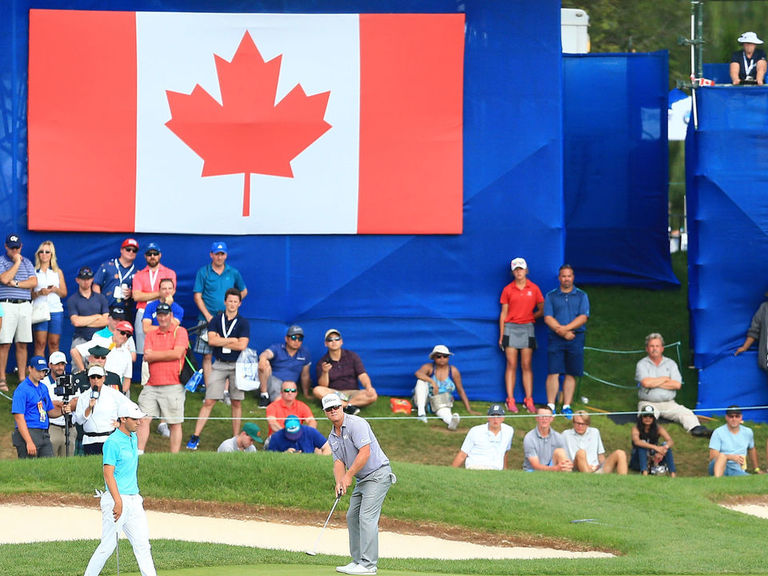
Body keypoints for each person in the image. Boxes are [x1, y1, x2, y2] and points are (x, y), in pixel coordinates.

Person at [324, 393, 395, 576]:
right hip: (363, 479)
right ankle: (357, 561)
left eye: (336, 407)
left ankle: (369, 565)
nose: (333, 411)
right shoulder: (332, 436)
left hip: (378, 474)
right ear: (325, 412)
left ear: (342, 407)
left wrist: (348, 476)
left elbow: (365, 453)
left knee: (366, 517)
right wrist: (340, 482)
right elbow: (338, 462)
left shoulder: (357, 424)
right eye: (329, 409)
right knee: (352, 516)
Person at [83, 402, 157, 576]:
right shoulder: (112, 442)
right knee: (107, 546)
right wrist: (118, 501)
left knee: (143, 545)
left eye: (139, 419)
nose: (139, 422)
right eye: (135, 419)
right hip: (116, 499)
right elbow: (108, 474)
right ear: (123, 419)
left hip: (134, 499)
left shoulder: (133, 438)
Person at [187, 288, 249, 450]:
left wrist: (223, 340)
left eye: (236, 301)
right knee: (209, 400)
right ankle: (195, 436)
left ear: (240, 304)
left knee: (236, 401)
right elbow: (212, 341)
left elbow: (242, 345)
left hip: (237, 365)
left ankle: (235, 439)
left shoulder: (243, 322)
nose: (232, 304)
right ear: (225, 302)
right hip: (220, 363)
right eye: (230, 301)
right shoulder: (216, 319)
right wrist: (232, 340)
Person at [192, 241, 248, 397]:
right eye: (217, 253)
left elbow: (243, 291)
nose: (219, 256)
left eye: (222, 254)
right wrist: (209, 316)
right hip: (207, 318)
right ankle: (211, 390)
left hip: (227, 321)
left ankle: (224, 391)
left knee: (226, 355)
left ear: (226, 255)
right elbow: (197, 296)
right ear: (211, 255)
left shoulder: (233, 272)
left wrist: (232, 306)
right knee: (207, 355)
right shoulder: (203, 272)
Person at [636, 333, 711, 437]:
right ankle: (650, 436)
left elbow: (677, 385)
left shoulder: (670, 364)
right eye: (651, 346)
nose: (654, 349)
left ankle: (697, 430)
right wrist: (665, 379)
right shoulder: (642, 364)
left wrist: (654, 383)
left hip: (669, 403)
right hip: (648, 402)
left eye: (657, 346)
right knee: (647, 418)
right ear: (647, 349)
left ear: (662, 348)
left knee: (686, 413)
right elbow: (645, 383)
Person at [137, 302, 188, 453]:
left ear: (171, 316)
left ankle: (174, 457)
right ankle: (139, 453)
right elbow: (147, 356)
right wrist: (167, 353)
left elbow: (177, 354)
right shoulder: (151, 334)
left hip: (173, 384)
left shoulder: (180, 331)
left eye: (165, 314)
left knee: (175, 423)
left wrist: (155, 355)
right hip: (152, 384)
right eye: (160, 315)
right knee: (143, 418)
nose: (163, 317)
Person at [498, 257, 544, 414]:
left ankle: (528, 399)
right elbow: (503, 314)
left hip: (528, 328)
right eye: (516, 269)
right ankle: (510, 400)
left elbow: (542, 309)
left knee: (526, 365)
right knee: (511, 364)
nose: (519, 271)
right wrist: (501, 335)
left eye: (521, 269)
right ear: (513, 272)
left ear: (526, 270)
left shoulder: (534, 288)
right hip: (510, 328)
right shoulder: (507, 290)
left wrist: (530, 317)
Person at [543, 264, 589, 419]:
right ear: (559, 278)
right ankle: (551, 405)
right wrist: (561, 331)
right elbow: (547, 317)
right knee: (553, 371)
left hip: (575, 337)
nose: (566, 278)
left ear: (573, 277)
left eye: (569, 276)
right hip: (556, 338)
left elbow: (583, 317)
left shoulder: (582, 295)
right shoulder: (551, 295)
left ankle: (566, 406)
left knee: (571, 372)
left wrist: (566, 329)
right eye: (563, 276)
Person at [11, 355, 69, 458]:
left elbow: (50, 411)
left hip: (44, 432)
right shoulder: (22, 389)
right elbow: (19, 417)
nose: (41, 374)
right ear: (30, 368)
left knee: (48, 466)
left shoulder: (43, 388)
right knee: (29, 469)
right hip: (29, 430)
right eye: (38, 371)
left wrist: (62, 411)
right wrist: (28, 441)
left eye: (43, 371)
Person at [0, 233, 37, 391]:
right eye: (12, 247)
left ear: (20, 246)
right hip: (6, 304)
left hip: (24, 305)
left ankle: (22, 378)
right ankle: (2, 379)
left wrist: (14, 283)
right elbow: (3, 279)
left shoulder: (27, 262)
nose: (14, 250)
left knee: (22, 343)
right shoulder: (2, 261)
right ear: (6, 247)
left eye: (17, 247)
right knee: (4, 343)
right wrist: (16, 263)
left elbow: (33, 282)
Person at [414, 344, 478, 430]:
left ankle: (451, 422)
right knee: (421, 382)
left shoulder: (453, 371)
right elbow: (418, 374)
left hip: (441, 401)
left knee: (445, 413)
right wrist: (432, 382)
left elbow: (460, 390)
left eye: (445, 356)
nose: (442, 359)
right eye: (439, 356)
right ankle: (421, 414)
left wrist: (469, 409)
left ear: (448, 358)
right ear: (434, 357)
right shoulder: (428, 367)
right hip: (424, 400)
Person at [314, 329, 377, 415]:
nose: (334, 341)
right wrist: (325, 372)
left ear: (341, 342)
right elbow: (323, 386)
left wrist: (368, 387)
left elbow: (362, 375)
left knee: (373, 395)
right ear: (326, 343)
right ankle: (348, 406)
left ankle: (343, 405)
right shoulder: (322, 362)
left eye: (337, 339)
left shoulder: (352, 356)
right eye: (330, 340)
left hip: (353, 393)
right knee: (317, 390)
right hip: (335, 393)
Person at [74, 365, 132, 455]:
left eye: (99, 377)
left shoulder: (113, 394)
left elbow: (130, 407)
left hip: (109, 439)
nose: (96, 380)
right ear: (89, 379)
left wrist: (121, 423)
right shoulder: (83, 397)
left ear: (104, 378)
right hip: (89, 441)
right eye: (93, 377)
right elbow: (79, 420)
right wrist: (89, 408)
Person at [131, 242, 176, 354]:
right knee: (143, 349)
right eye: (149, 254)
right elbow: (136, 296)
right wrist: (160, 293)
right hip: (143, 311)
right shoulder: (139, 275)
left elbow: (170, 294)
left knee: (164, 345)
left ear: (159, 255)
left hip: (162, 311)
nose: (152, 256)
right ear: (145, 256)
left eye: (155, 253)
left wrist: (146, 295)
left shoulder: (169, 273)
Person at [72, 322, 135, 394]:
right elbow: (75, 351)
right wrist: (83, 372)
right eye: (123, 333)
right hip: (94, 384)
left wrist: (122, 394)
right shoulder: (101, 341)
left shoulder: (127, 354)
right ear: (114, 331)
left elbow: (127, 378)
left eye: (128, 335)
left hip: (114, 389)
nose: (125, 336)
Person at [257, 324, 312, 406]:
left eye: (299, 338)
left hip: (290, 384)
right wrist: (262, 358)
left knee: (286, 396)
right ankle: (264, 396)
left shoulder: (304, 353)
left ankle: (278, 401)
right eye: (293, 338)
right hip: (274, 380)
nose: (296, 341)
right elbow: (267, 353)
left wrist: (306, 393)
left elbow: (305, 375)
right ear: (286, 338)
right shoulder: (277, 348)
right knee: (265, 363)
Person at [31, 240, 67, 357]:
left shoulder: (57, 272)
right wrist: (40, 293)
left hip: (55, 310)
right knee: (40, 343)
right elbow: (29, 295)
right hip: (39, 309)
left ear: (52, 254)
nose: (44, 254)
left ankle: (54, 373)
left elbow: (64, 293)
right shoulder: (33, 272)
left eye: (47, 252)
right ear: (38, 254)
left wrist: (55, 289)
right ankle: (39, 372)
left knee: (54, 343)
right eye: (42, 252)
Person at [451, 403, 513, 470]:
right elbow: (462, 454)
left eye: (498, 416)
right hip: (475, 467)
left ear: (503, 418)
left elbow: (505, 451)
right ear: (488, 417)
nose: (495, 419)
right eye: (492, 416)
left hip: (495, 469)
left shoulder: (509, 431)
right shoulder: (475, 431)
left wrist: (505, 470)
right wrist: (451, 471)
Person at [562, 411, 627, 474]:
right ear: (573, 423)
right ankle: (588, 480)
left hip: (595, 469)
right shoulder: (566, 434)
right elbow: (561, 456)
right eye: (578, 423)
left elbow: (600, 455)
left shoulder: (595, 432)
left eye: (583, 424)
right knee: (581, 453)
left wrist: (601, 466)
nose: (580, 426)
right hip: (577, 469)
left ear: (588, 424)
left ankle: (624, 482)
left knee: (620, 453)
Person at [41, 351, 78, 457]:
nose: (60, 367)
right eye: (57, 364)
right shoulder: (44, 383)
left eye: (62, 364)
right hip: (52, 426)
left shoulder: (72, 380)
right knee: (51, 460)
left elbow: (76, 402)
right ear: (50, 365)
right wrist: (63, 405)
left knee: (69, 462)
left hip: (70, 427)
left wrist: (58, 405)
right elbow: (46, 405)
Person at [93, 237, 139, 322]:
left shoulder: (138, 273)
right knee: (105, 334)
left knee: (123, 334)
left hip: (125, 311)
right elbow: (96, 284)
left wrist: (131, 293)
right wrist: (100, 303)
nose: (131, 252)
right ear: (121, 250)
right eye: (128, 249)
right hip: (106, 309)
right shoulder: (107, 266)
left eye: (134, 250)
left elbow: (139, 293)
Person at [708, 405, 761, 477]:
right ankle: (717, 482)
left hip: (737, 468)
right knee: (722, 456)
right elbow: (712, 456)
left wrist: (757, 469)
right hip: (719, 465)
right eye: (731, 416)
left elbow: (752, 449)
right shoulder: (718, 432)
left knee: (750, 479)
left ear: (741, 417)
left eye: (737, 416)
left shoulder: (748, 432)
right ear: (726, 417)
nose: (734, 419)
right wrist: (730, 457)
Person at [67, 265, 109, 350]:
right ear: (77, 280)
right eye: (83, 279)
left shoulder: (101, 298)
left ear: (92, 279)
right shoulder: (72, 300)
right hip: (81, 338)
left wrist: (84, 322)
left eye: (88, 279)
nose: (86, 281)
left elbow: (106, 321)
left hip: (101, 338)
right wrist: (96, 316)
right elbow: (76, 322)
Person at [630, 405, 676, 477]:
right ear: (641, 417)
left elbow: (670, 441)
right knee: (642, 444)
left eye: (650, 416)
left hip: (654, 457)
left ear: (653, 418)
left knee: (665, 445)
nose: (648, 418)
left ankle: (673, 474)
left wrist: (663, 449)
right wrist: (655, 447)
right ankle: (644, 473)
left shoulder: (658, 428)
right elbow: (637, 441)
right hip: (638, 459)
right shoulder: (636, 428)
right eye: (645, 416)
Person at [522, 405, 573, 472]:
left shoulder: (558, 437)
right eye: (541, 416)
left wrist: (566, 466)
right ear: (536, 418)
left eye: (547, 416)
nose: (544, 419)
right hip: (532, 471)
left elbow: (564, 458)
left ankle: (566, 479)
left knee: (560, 452)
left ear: (552, 419)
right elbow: (535, 465)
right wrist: (555, 469)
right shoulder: (529, 438)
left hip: (552, 466)